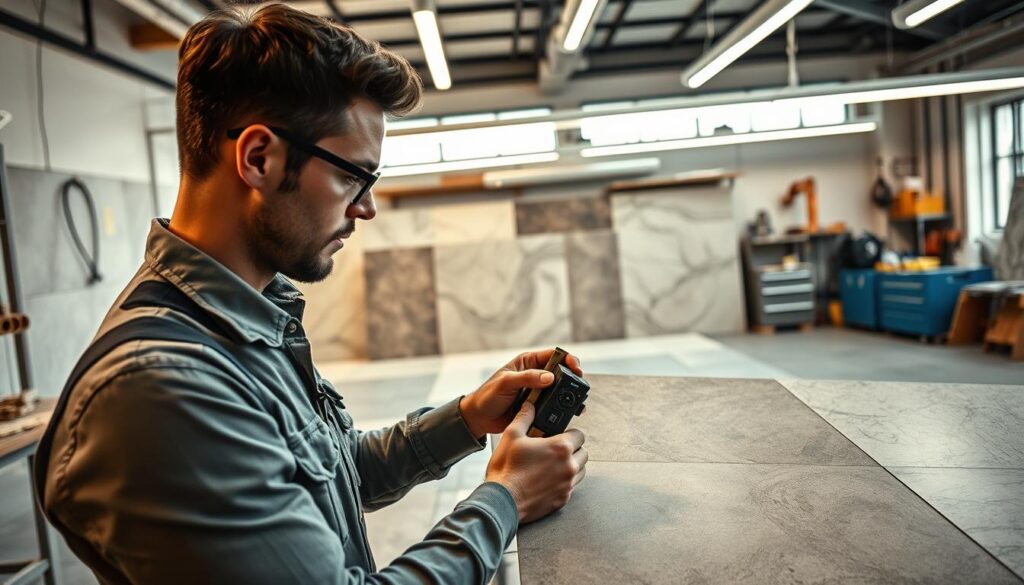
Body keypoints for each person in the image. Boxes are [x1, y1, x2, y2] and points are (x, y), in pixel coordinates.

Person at [34, 4, 587, 583]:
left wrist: (470, 418)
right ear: (259, 158)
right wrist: (506, 498)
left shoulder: (245, 316)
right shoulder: (160, 391)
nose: (366, 207)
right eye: (354, 176)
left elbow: (334, 472)